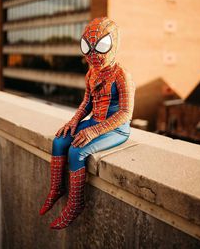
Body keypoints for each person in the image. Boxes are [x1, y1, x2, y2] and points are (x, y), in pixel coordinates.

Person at [39, 16, 136, 230]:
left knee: (76, 151)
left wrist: (94, 131)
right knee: (59, 141)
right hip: (94, 122)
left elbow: (125, 114)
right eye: (88, 47)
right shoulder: (91, 73)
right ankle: (56, 188)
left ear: (113, 43)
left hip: (116, 129)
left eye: (100, 46)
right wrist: (74, 121)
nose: (93, 54)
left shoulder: (122, 75)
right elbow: (87, 102)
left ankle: (76, 203)